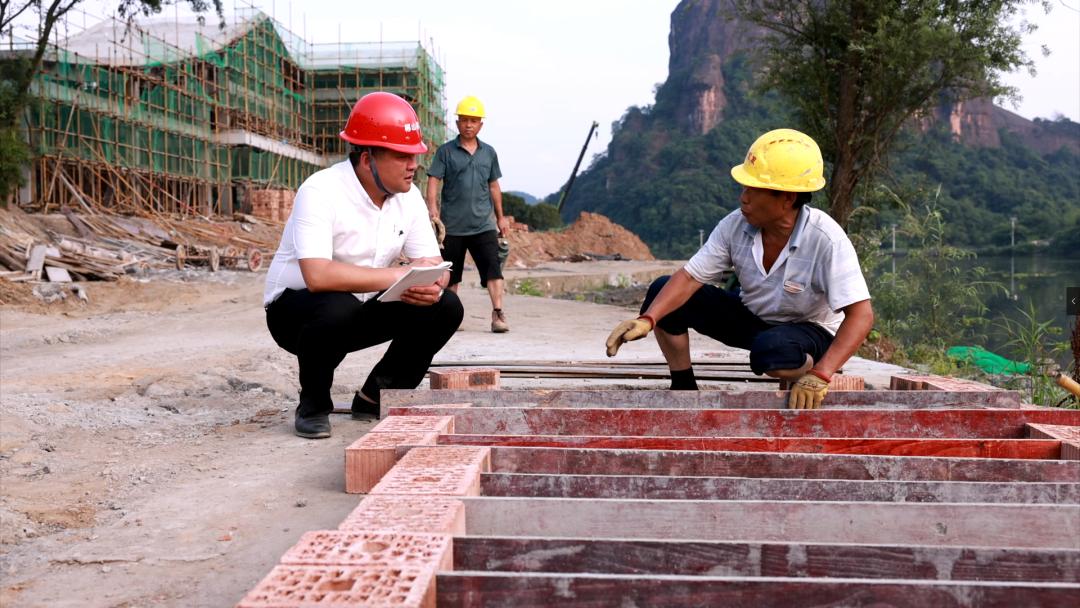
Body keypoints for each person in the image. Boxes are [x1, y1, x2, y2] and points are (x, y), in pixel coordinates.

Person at [605, 128, 873, 410]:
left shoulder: (825, 239)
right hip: (753, 317)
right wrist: (648, 319)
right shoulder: (735, 225)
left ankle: (809, 368)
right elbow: (690, 277)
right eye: (744, 189)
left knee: (771, 352)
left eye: (753, 190)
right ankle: (683, 387)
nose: (743, 198)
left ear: (787, 198)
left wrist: (821, 374)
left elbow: (861, 315)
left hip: (809, 331)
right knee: (662, 290)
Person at [263, 92, 463, 439]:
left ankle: (376, 397)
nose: (413, 165)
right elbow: (317, 275)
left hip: (360, 307)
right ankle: (313, 406)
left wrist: (433, 283)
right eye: (402, 156)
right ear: (367, 159)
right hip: (297, 315)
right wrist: (399, 275)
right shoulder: (321, 190)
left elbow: (434, 263)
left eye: (415, 155)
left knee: (445, 307)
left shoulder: (409, 198)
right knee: (336, 306)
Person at [425, 95, 511, 333]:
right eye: (464, 120)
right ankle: (450, 317)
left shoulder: (489, 153)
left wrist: (501, 217)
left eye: (473, 121)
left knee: (493, 270)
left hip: (483, 225)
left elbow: (494, 186)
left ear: (480, 124)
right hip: (452, 226)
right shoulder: (445, 152)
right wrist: (432, 208)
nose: (468, 125)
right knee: (451, 276)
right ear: (458, 123)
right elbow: (433, 180)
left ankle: (498, 313)